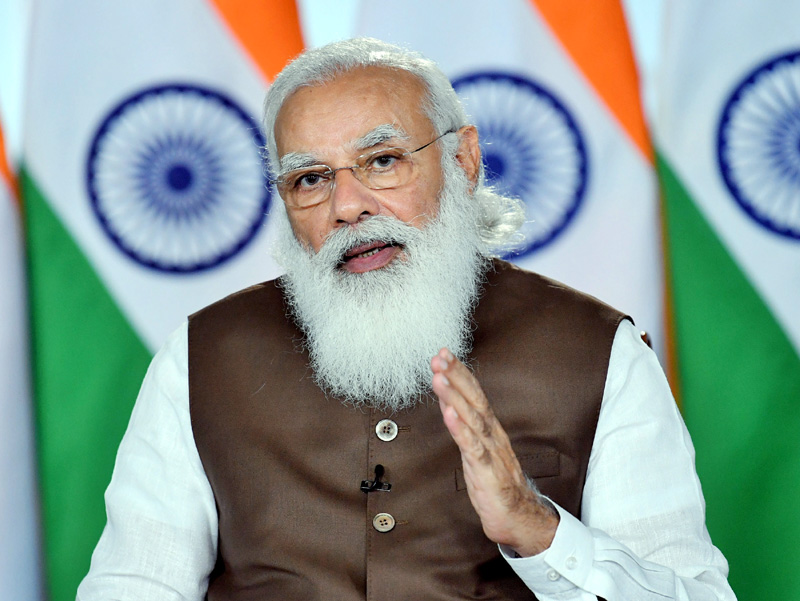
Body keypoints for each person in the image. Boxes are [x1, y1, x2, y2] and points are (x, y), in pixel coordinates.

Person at [78, 38, 736, 600]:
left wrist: (538, 528)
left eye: (383, 161)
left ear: (463, 161)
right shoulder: (202, 358)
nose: (348, 206)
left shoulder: (599, 352)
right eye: (310, 178)